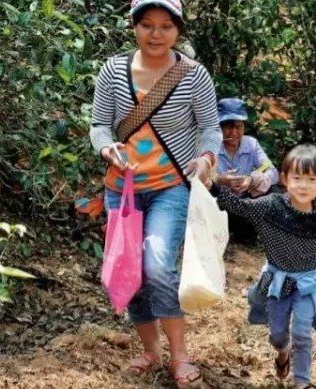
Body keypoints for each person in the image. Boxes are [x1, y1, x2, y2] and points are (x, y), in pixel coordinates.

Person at [89, 0, 221, 387]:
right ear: (134, 27)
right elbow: (99, 124)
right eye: (147, 25)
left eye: (166, 25)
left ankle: (179, 356)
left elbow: (211, 128)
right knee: (130, 269)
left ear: (178, 29)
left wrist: (207, 158)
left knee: (158, 265)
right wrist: (105, 148)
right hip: (123, 189)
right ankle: (150, 350)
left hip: (170, 187)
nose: (156, 34)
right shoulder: (112, 71)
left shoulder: (194, 76)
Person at [204, 144, 316, 389]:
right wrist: (214, 187)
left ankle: (303, 382)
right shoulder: (270, 207)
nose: (303, 185)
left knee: (302, 331)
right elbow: (239, 206)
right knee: (278, 334)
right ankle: (283, 352)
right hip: (279, 282)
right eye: (297, 178)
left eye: (311, 179)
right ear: (285, 179)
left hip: (309, 283)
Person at [215, 97, 279, 244]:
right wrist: (220, 180)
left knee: (275, 192)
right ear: (219, 127)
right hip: (222, 205)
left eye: (238, 127)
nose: (234, 132)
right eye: (228, 127)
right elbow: (197, 179)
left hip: (246, 201)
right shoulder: (212, 146)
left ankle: (257, 234)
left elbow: (272, 171)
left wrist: (252, 179)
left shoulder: (251, 144)